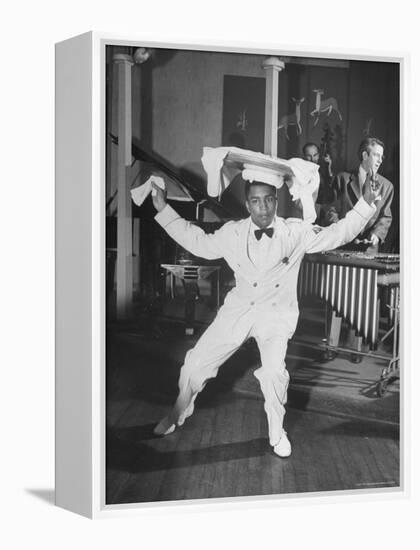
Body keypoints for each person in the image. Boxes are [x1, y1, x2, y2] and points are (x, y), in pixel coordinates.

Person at [151, 157, 380, 458]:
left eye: (268, 201)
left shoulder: (295, 232)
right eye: (255, 201)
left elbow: (337, 233)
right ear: (247, 204)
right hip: (239, 311)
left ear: (276, 201)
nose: (262, 208)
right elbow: (198, 242)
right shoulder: (231, 233)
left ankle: (277, 432)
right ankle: (178, 412)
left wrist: (364, 204)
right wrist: (163, 210)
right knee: (194, 365)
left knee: (273, 374)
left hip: (275, 316)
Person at [325, 137, 393, 252]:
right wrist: (339, 230)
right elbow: (331, 209)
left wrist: (376, 234)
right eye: (376, 155)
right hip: (341, 246)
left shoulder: (387, 186)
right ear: (365, 156)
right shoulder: (342, 178)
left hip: (368, 250)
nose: (380, 160)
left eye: (382, 157)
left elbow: (385, 216)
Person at [302, 142, 334, 225]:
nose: (312, 159)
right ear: (304, 156)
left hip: (323, 207)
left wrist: (329, 167)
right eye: (309, 156)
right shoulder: (300, 171)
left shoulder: (320, 170)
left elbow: (330, 184)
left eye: (315, 155)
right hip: (308, 208)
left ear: (319, 155)